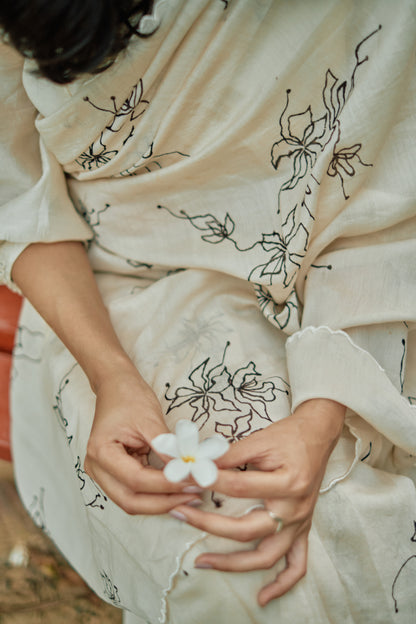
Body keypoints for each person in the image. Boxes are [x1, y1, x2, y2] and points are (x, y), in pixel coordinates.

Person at [1, 1, 415, 622]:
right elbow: (20, 202)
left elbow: (384, 196)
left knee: (348, 518)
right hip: (109, 281)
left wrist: (323, 414)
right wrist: (111, 374)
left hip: (358, 273)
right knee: (238, 550)